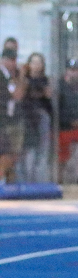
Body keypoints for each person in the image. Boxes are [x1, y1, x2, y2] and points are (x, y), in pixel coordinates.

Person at [19, 52, 52, 182]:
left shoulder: (45, 81)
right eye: (33, 62)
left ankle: (39, 181)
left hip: (42, 118)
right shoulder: (24, 80)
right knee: (27, 152)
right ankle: (26, 181)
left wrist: (47, 95)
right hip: (27, 119)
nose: (36, 65)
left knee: (41, 152)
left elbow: (48, 102)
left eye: (39, 62)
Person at [0, 42, 26, 182]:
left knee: (11, 156)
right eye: (10, 60)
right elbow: (17, 95)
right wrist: (21, 76)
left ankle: (8, 183)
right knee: (6, 155)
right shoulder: (2, 76)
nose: (13, 64)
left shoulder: (9, 76)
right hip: (3, 122)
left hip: (11, 120)